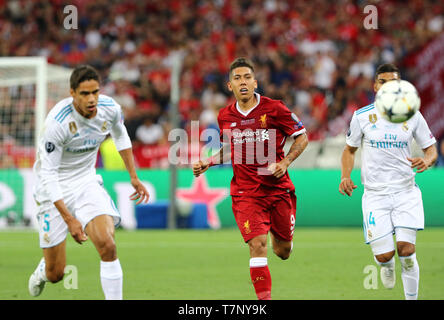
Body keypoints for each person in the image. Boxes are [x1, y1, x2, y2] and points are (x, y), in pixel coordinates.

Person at [28, 65, 149, 299]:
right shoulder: (57, 123)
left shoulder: (110, 108)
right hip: (53, 189)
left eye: (95, 92)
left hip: (85, 182)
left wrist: (133, 176)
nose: (92, 99)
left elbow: (120, 134)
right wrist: (69, 219)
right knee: (56, 274)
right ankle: (45, 269)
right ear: (72, 93)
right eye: (85, 94)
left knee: (108, 245)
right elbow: (49, 175)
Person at [193, 57, 308, 300]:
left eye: (247, 77)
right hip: (246, 193)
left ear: (255, 82)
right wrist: (209, 162)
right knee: (257, 245)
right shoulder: (224, 116)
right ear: (229, 86)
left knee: (283, 251)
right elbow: (232, 148)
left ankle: (284, 239)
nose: (243, 82)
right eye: (237, 78)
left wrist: (285, 162)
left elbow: (302, 137)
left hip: (277, 189)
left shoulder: (275, 108)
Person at [339, 63, 438, 300]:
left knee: (407, 250)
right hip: (375, 195)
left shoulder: (412, 115)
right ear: (375, 86)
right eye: (383, 81)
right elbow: (349, 150)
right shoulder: (362, 117)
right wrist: (345, 176)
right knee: (385, 256)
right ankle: (385, 264)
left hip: (406, 192)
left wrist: (428, 160)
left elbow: (431, 149)